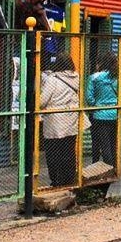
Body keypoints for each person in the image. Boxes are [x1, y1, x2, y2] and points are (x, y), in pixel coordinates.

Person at [39, 50, 82, 189]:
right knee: (69, 151)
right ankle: (69, 180)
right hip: (71, 120)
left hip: (55, 122)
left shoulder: (52, 79)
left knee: (53, 153)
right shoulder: (76, 77)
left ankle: (56, 181)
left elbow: (42, 101)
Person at [86, 50, 121, 165]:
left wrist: (96, 105)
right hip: (115, 113)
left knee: (104, 144)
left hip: (99, 115)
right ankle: (115, 167)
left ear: (100, 63)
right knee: (113, 143)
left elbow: (89, 98)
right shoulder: (118, 77)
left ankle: (108, 168)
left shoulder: (94, 77)